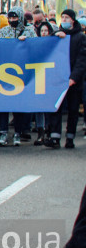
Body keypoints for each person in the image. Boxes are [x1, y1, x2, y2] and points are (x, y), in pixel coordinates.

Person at [0, 7, 36, 147]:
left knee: (18, 105)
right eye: (10, 18)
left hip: (21, 73)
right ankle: (3, 132)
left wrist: (27, 41)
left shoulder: (29, 31)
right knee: (4, 104)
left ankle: (18, 133)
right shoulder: (4, 31)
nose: (12, 21)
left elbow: (37, 46)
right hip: (5, 72)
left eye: (15, 18)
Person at [46, 9, 86, 149]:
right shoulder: (57, 35)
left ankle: (70, 137)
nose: (64, 19)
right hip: (58, 79)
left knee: (73, 110)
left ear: (73, 20)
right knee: (56, 108)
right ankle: (55, 137)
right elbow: (47, 45)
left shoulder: (80, 37)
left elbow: (82, 60)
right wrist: (56, 34)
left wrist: (74, 78)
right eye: (62, 17)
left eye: (67, 17)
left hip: (74, 81)